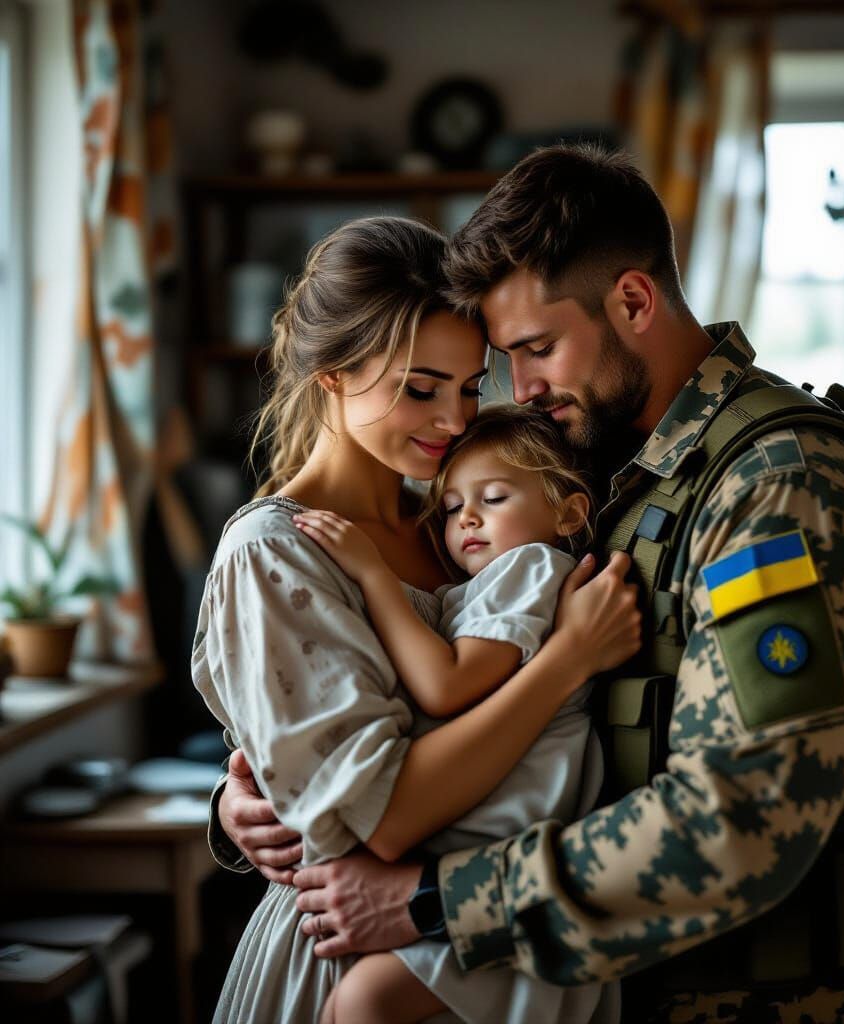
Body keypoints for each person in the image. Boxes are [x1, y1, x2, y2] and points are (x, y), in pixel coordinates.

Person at [215, 147, 844, 1024]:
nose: (515, 394)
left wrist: (439, 901)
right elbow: (433, 697)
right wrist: (261, 800)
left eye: (536, 349)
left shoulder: (778, 489)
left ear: (632, 300)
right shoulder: (602, 464)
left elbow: (742, 819)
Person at [192, 215, 640, 1023]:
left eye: (469, 387)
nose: (454, 421)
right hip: (353, 959)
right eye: (419, 388)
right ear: (332, 374)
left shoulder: (462, 522)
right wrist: (566, 662)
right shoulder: (276, 555)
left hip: (502, 932)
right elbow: (385, 819)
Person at [294, 405, 619, 1024]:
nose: (466, 518)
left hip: (498, 853)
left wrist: (371, 574)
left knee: (364, 1004)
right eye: (450, 509)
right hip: (479, 846)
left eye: (493, 498)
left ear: (568, 512)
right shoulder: (483, 587)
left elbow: (447, 688)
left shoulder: (529, 568)